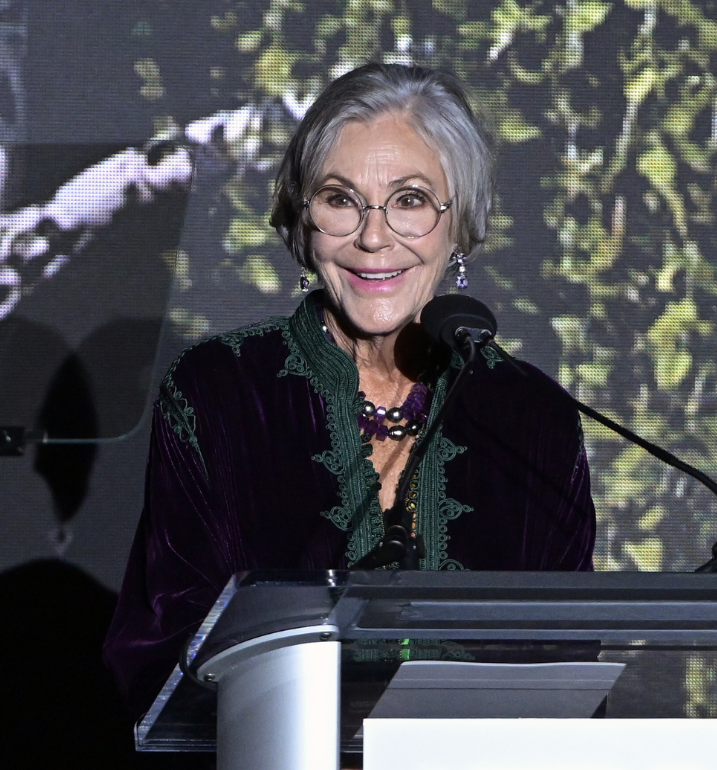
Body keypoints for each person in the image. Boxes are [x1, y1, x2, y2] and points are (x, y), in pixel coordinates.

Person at [104, 62, 596, 719]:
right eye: (340, 199)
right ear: (303, 222)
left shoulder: (531, 417)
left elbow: (568, 665)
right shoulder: (218, 396)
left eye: (410, 200)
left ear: (459, 225)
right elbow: (160, 651)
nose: (372, 236)